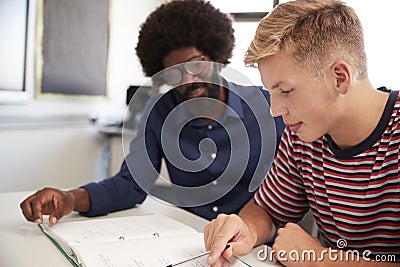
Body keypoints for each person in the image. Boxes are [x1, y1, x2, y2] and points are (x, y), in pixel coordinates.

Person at [20, 0, 284, 225]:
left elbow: (292, 191)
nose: (187, 79)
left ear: (216, 55)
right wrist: (71, 198)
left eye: (196, 63)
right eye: (174, 72)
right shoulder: (160, 112)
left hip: (255, 246)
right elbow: (131, 184)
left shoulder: (269, 109)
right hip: (192, 242)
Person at [204, 0, 400, 266]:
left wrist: (321, 260)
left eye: (285, 91)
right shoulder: (304, 134)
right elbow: (267, 211)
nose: (274, 110)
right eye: (271, 92)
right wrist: (246, 229)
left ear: (339, 77)